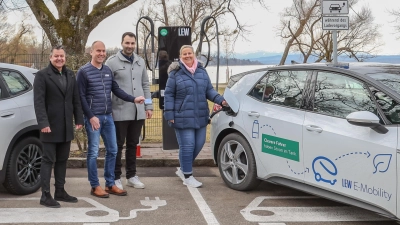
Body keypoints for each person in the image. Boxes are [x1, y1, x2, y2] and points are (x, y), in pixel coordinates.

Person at [76, 41, 145, 198]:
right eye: (98, 51)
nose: (101, 53)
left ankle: (109, 184)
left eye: (103, 51)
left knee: (113, 150)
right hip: (94, 118)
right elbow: (80, 97)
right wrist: (91, 116)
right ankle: (95, 186)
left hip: (108, 117)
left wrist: (133, 99)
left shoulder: (107, 70)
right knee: (93, 152)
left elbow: (117, 90)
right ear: (91, 52)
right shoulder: (83, 72)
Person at [164, 45, 227, 188]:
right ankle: (188, 175)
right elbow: (169, 94)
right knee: (187, 146)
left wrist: (221, 100)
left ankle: (182, 169)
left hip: (200, 115)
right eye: (184, 54)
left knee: (199, 144)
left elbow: (209, 90)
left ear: (194, 54)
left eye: (189, 53)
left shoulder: (202, 71)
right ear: (181, 56)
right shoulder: (175, 73)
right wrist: (169, 114)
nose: (187, 56)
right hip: (182, 116)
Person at [33, 45, 84, 208]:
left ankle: (60, 191)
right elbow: (38, 102)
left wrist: (79, 119)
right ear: (50, 57)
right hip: (49, 126)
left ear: (65, 58)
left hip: (66, 125)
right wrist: (43, 123)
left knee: (62, 160)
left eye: (62, 56)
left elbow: (75, 99)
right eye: (56, 56)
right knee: (48, 160)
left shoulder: (70, 74)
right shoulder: (42, 76)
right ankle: (45, 195)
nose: (59, 59)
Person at [105, 32, 153, 190]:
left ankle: (131, 176)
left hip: (137, 111)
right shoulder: (111, 62)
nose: (130, 46)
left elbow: (145, 85)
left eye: (132, 43)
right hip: (119, 111)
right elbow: (106, 86)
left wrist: (148, 105)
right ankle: (116, 176)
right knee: (117, 145)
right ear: (122, 43)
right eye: (127, 43)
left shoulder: (140, 62)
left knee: (133, 144)